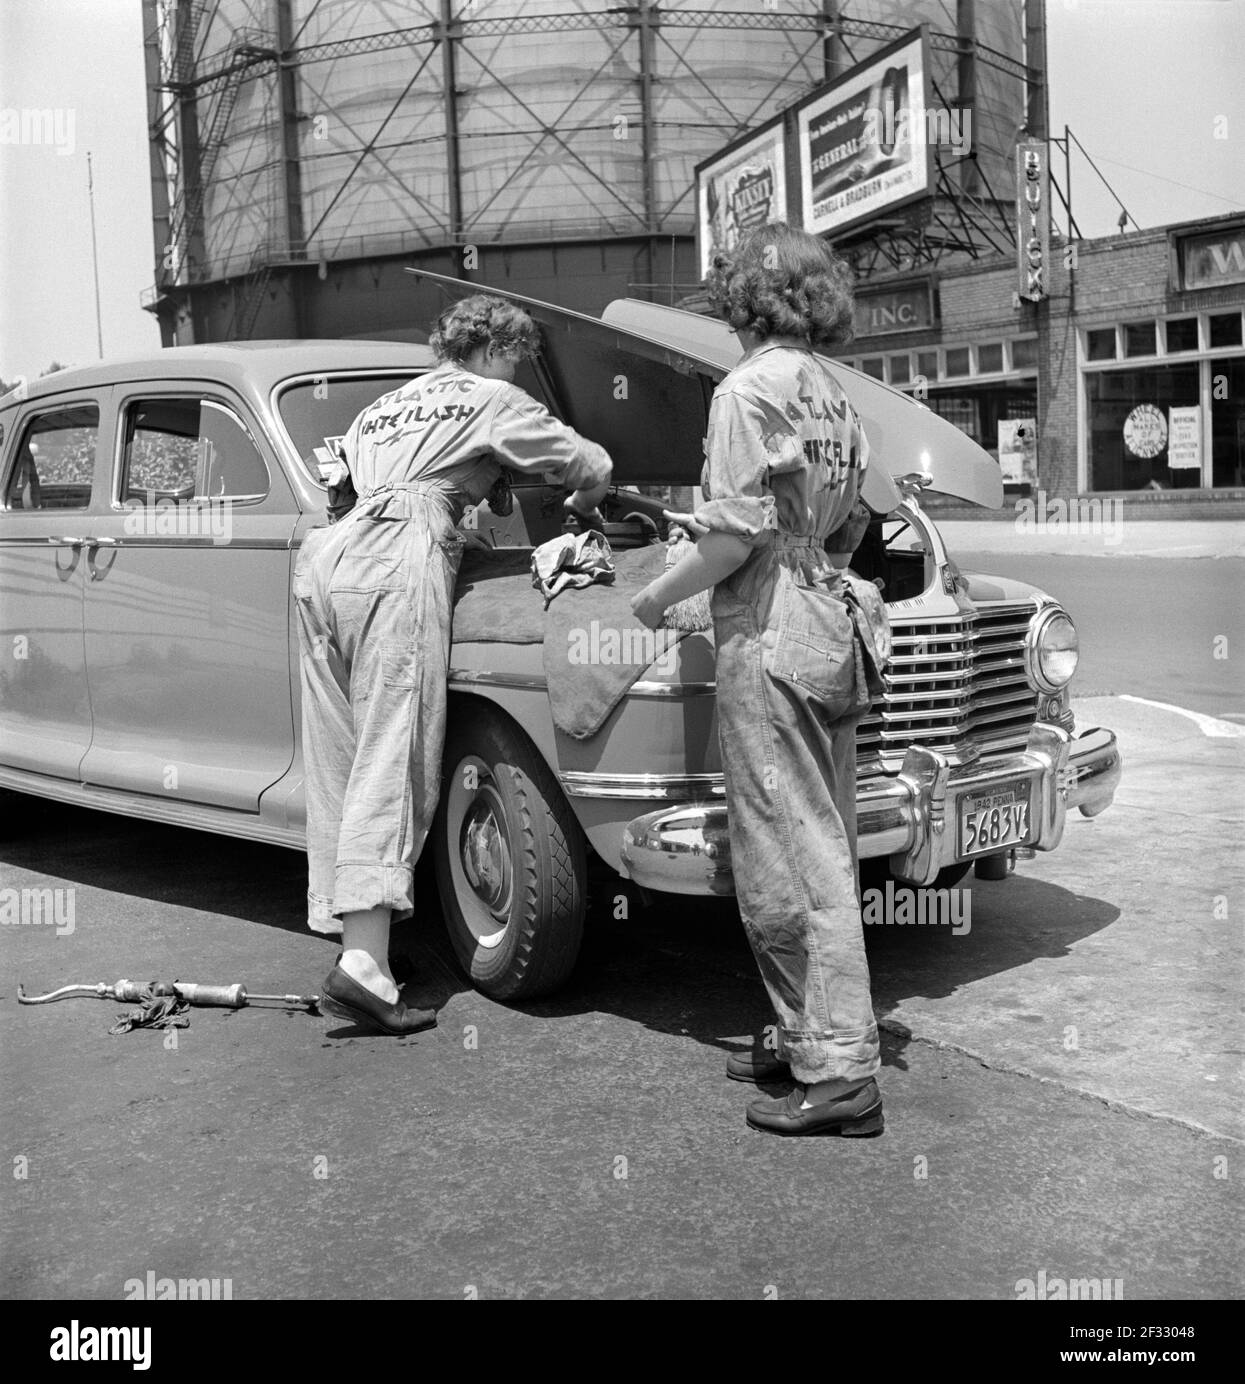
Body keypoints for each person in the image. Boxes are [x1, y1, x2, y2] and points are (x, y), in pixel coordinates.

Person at [296, 295, 613, 1034]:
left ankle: (356, 943)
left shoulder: (384, 406)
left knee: (338, 755)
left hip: (327, 560)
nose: (521, 371)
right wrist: (587, 500)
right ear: (499, 349)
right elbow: (584, 461)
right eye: (520, 358)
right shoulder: (491, 396)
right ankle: (366, 969)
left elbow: (348, 488)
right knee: (393, 744)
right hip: (397, 555)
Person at [631, 222, 884, 1137]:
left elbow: (733, 540)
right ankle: (802, 1029)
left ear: (743, 298)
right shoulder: (838, 395)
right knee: (821, 836)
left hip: (771, 626)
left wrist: (656, 599)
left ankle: (842, 1071)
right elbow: (852, 525)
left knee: (787, 847)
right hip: (833, 618)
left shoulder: (745, 389)